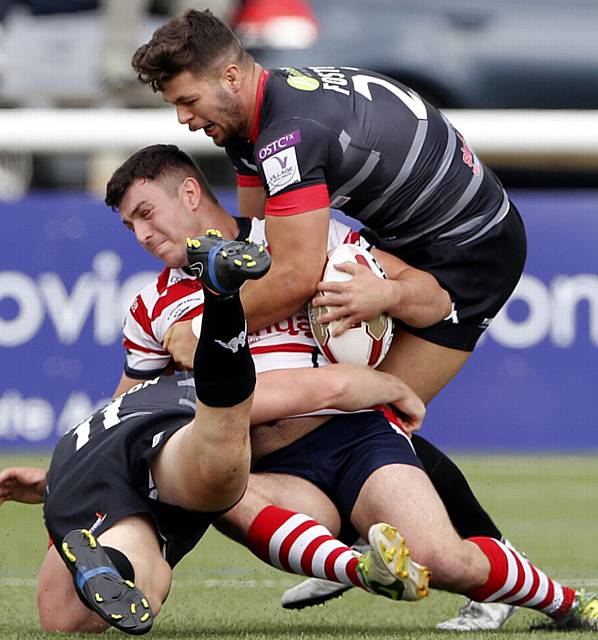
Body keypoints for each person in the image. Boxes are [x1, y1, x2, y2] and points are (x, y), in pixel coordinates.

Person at [131, 12, 527, 624]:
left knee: (380, 424)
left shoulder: (287, 134)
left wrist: (203, 334)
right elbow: (261, 246)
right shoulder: (247, 121)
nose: (183, 119)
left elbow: (291, 278)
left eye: (187, 100)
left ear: (231, 76)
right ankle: (354, 545)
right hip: (407, 236)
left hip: (469, 253)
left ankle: (492, 578)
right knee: (333, 423)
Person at [4, 233, 433, 634]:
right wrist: (399, 390)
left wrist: (48, 483)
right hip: (151, 444)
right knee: (222, 459)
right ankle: (221, 297)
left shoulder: (136, 394)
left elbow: (108, 459)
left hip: (71, 468)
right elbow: (329, 387)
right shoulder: (184, 391)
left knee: (73, 616)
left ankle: (108, 564)